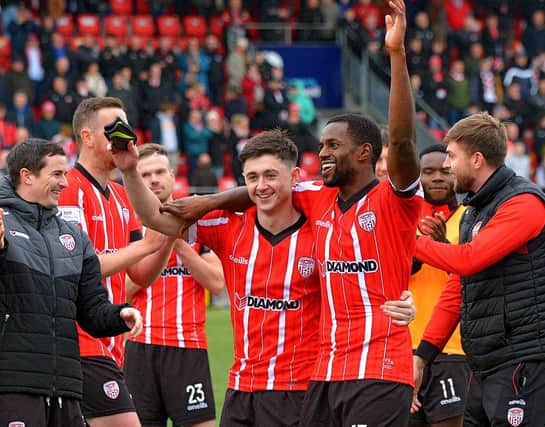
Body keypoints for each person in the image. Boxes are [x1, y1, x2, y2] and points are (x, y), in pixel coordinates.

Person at [157, 1, 421, 425]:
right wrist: (209, 202)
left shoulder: (393, 201)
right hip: (325, 374)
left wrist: (395, 53)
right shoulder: (316, 199)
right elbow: (264, 188)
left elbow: (405, 142)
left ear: (366, 152)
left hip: (379, 368)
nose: (324, 152)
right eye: (323, 145)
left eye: (334, 146)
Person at [112, 127, 416, 426]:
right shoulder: (227, 225)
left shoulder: (321, 228)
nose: (262, 186)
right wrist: (129, 171)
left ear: (295, 177)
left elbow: (366, 269)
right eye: (252, 177)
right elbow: (156, 218)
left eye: (271, 175)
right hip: (240, 390)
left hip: (299, 392)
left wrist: (401, 299)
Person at [411, 112, 545, 427]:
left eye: (452, 157)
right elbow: (458, 287)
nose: (447, 165)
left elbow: (468, 259)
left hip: (524, 359)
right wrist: (423, 356)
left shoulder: (523, 203)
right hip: (486, 363)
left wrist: (403, 241)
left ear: (478, 159)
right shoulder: (475, 211)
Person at [0, 138, 142, 427]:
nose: (65, 183)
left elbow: (91, 311)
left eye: (64, 174)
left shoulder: (74, 237)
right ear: (26, 176)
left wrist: (120, 315)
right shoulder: (3, 224)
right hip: (13, 385)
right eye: (56, 174)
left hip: (65, 387)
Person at [57, 97, 173, 427]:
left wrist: (164, 242)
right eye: (112, 130)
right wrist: (146, 246)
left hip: (112, 344)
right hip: (79, 339)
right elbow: (75, 266)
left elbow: (138, 276)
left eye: (125, 128)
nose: (121, 137)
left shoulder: (123, 195)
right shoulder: (67, 189)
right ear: (87, 136)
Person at [124, 144, 225, 427]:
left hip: (187, 345)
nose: (154, 180)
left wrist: (178, 240)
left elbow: (217, 284)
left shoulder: (196, 221)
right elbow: (120, 289)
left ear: (171, 175)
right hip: (141, 346)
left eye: (159, 172)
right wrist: (155, 245)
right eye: (145, 175)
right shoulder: (128, 224)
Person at [408, 144, 470, 427]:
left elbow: (473, 280)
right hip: (405, 348)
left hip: (453, 349)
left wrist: (443, 248)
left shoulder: (471, 219)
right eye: (428, 172)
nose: (437, 178)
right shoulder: (404, 221)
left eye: (445, 171)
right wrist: (419, 253)